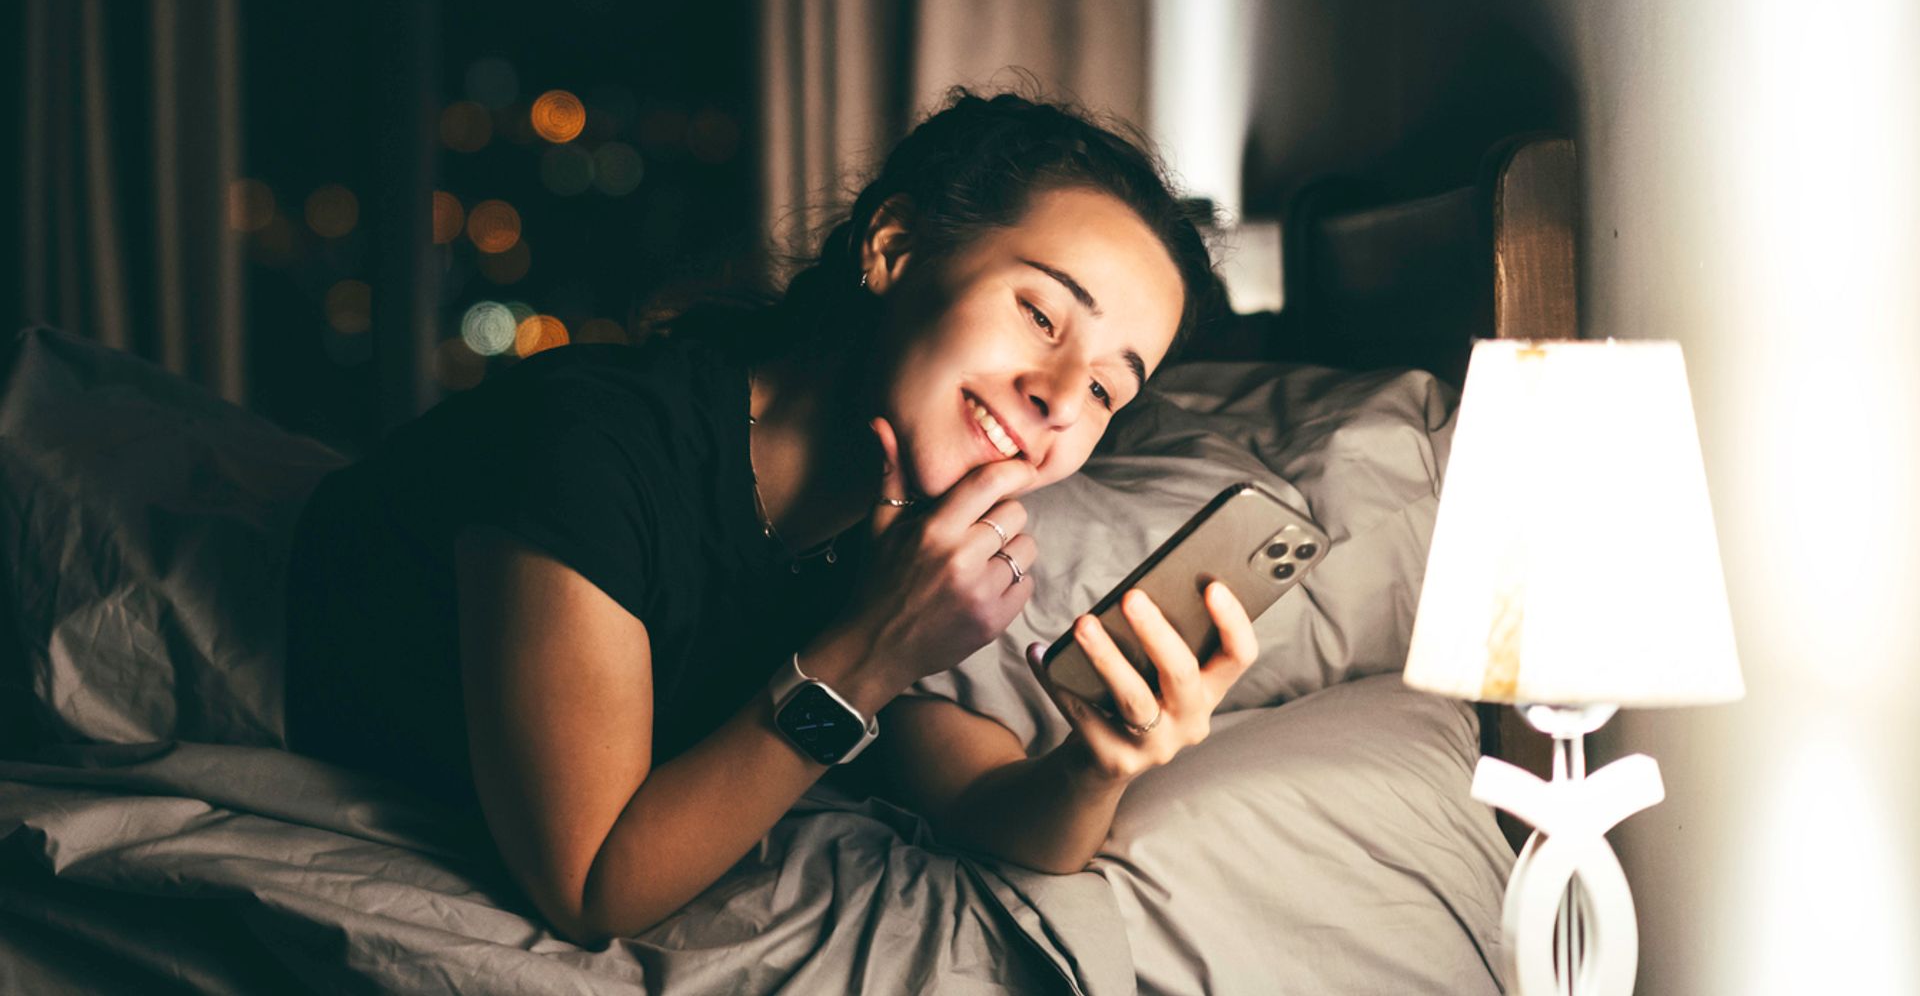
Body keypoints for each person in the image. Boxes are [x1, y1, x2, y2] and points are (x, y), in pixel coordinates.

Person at [283, 88, 1262, 944]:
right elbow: (591, 891)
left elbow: (978, 795)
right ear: (895, 248)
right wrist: (869, 651)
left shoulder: (881, 518)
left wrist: (1099, 763)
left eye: (1105, 389)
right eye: (1042, 315)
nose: (1057, 395)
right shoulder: (593, 445)